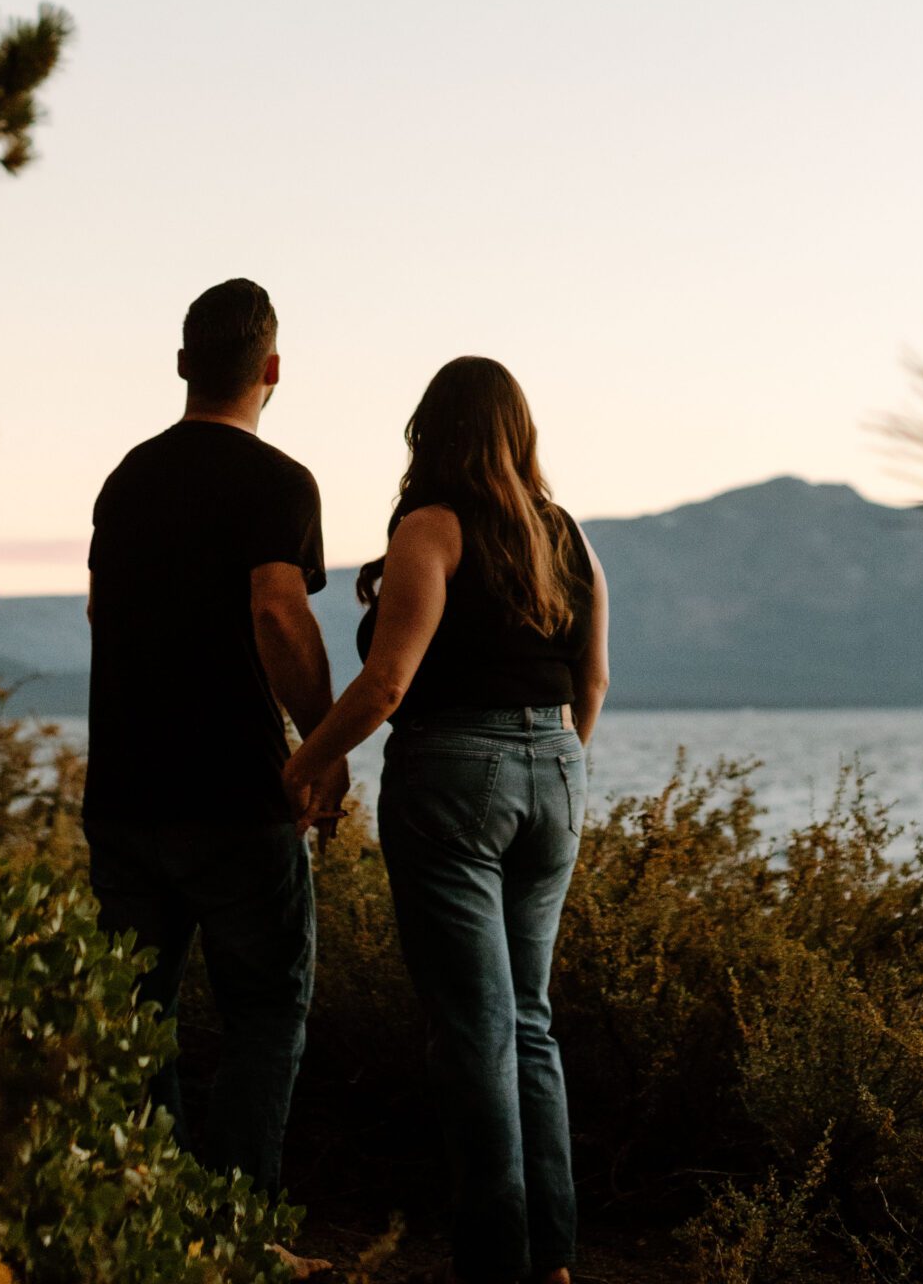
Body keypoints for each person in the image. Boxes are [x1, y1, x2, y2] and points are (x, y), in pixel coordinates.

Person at [284, 356, 610, 1284]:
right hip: (558, 768)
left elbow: (388, 683)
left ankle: (494, 1262)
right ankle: (552, 1259)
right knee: (530, 1021)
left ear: (429, 433)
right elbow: (592, 681)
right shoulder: (567, 536)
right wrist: (548, 765)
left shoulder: (431, 526)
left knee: (475, 1028)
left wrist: (302, 765)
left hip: (454, 772)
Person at [84, 277, 333, 1215]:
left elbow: (102, 613)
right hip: (235, 794)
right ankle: (235, 1229)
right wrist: (323, 745)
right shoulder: (280, 482)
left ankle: (146, 1227)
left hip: (124, 793)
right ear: (272, 370)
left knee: (132, 1017)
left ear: (184, 362)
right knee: (264, 1011)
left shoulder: (128, 477)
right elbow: (278, 611)